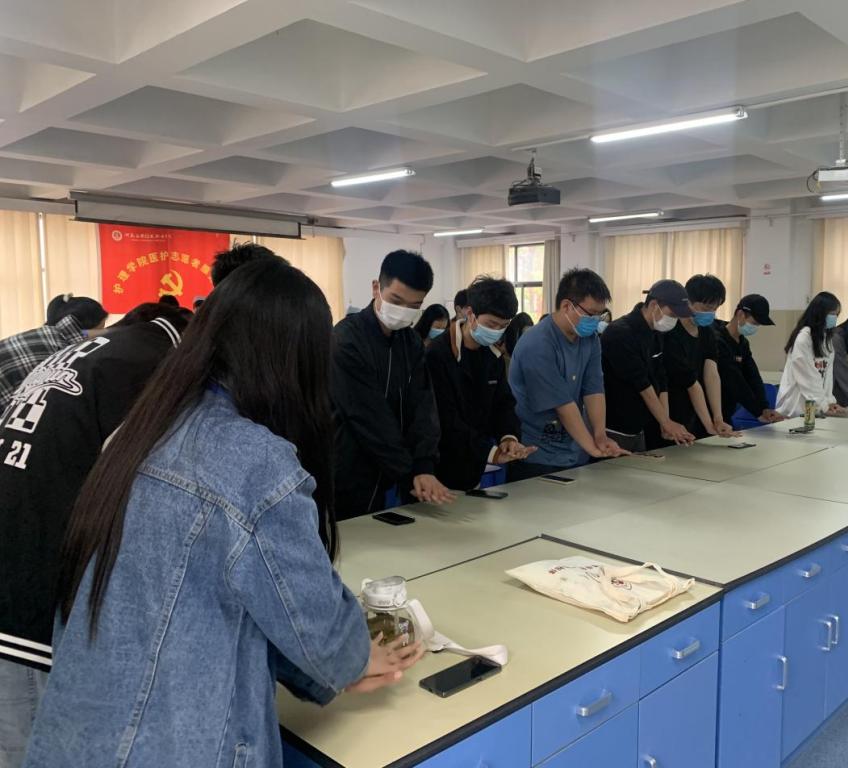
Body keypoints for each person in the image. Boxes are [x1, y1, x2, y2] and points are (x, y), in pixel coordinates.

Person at [22, 259, 422, 768]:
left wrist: (328, 670)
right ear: (296, 361)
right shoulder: (252, 460)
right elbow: (311, 619)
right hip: (167, 746)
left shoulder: (140, 430)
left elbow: (240, 600)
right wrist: (354, 657)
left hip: (77, 737)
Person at [0, 303, 190, 765]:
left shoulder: (94, 352)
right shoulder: (150, 368)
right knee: (31, 747)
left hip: (12, 555)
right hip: (22, 603)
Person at [330, 250, 452, 518]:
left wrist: (424, 464)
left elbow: (423, 407)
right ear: (377, 288)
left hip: (397, 470)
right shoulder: (345, 340)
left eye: (414, 306)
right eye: (396, 300)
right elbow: (367, 416)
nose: (403, 311)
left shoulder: (411, 342)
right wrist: (412, 472)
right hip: (351, 472)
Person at [508, 268, 627, 480]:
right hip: (535, 455)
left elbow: (594, 389)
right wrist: (593, 448)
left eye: (600, 315)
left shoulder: (590, 339)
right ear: (566, 306)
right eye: (591, 314)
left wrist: (600, 435)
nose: (595, 320)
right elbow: (562, 405)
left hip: (573, 451)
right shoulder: (538, 343)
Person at [426, 277, 535, 490]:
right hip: (437, 469)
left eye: (503, 326)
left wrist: (508, 438)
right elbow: (444, 418)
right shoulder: (437, 354)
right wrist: (491, 452)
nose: (496, 331)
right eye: (491, 324)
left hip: (472, 468)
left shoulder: (493, 356)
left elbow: (503, 404)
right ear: (470, 314)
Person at [601, 280, 696, 452]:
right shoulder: (620, 333)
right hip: (613, 429)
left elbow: (661, 378)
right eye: (672, 314)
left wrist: (665, 422)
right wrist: (666, 422)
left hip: (639, 428)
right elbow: (642, 383)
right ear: (653, 305)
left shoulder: (656, 332)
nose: (674, 320)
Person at [0, 295, 108, 412]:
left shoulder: (45, 335)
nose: (100, 335)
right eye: (100, 329)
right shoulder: (58, 353)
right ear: (83, 327)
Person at [663, 274, 737, 439]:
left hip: (697, 409)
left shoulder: (707, 332)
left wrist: (718, 419)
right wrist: (709, 424)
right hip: (672, 408)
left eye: (714, 309)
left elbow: (711, 374)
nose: (710, 313)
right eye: (705, 308)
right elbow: (690, 382)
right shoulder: (671, 332)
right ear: (687, 302)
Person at [715, 294, 785, 425]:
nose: (756, 327)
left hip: (727, 411)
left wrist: (764, 408)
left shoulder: (743, 343)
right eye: (755, 323)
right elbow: (734, 381)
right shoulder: (718, 340)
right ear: (740, 314)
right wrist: (757, 412)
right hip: (713, 411)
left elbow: (753, 376)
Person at [776, 292, 847, 418]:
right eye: (832, 314)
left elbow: (827, 376)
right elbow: (807, 378)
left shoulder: (827, 339)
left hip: (816, 406)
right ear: (820, 313)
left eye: (837, 314)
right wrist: (823, 405)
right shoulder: (804, 338)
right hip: (796, 406)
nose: (835, 318)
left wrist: (830, 402)